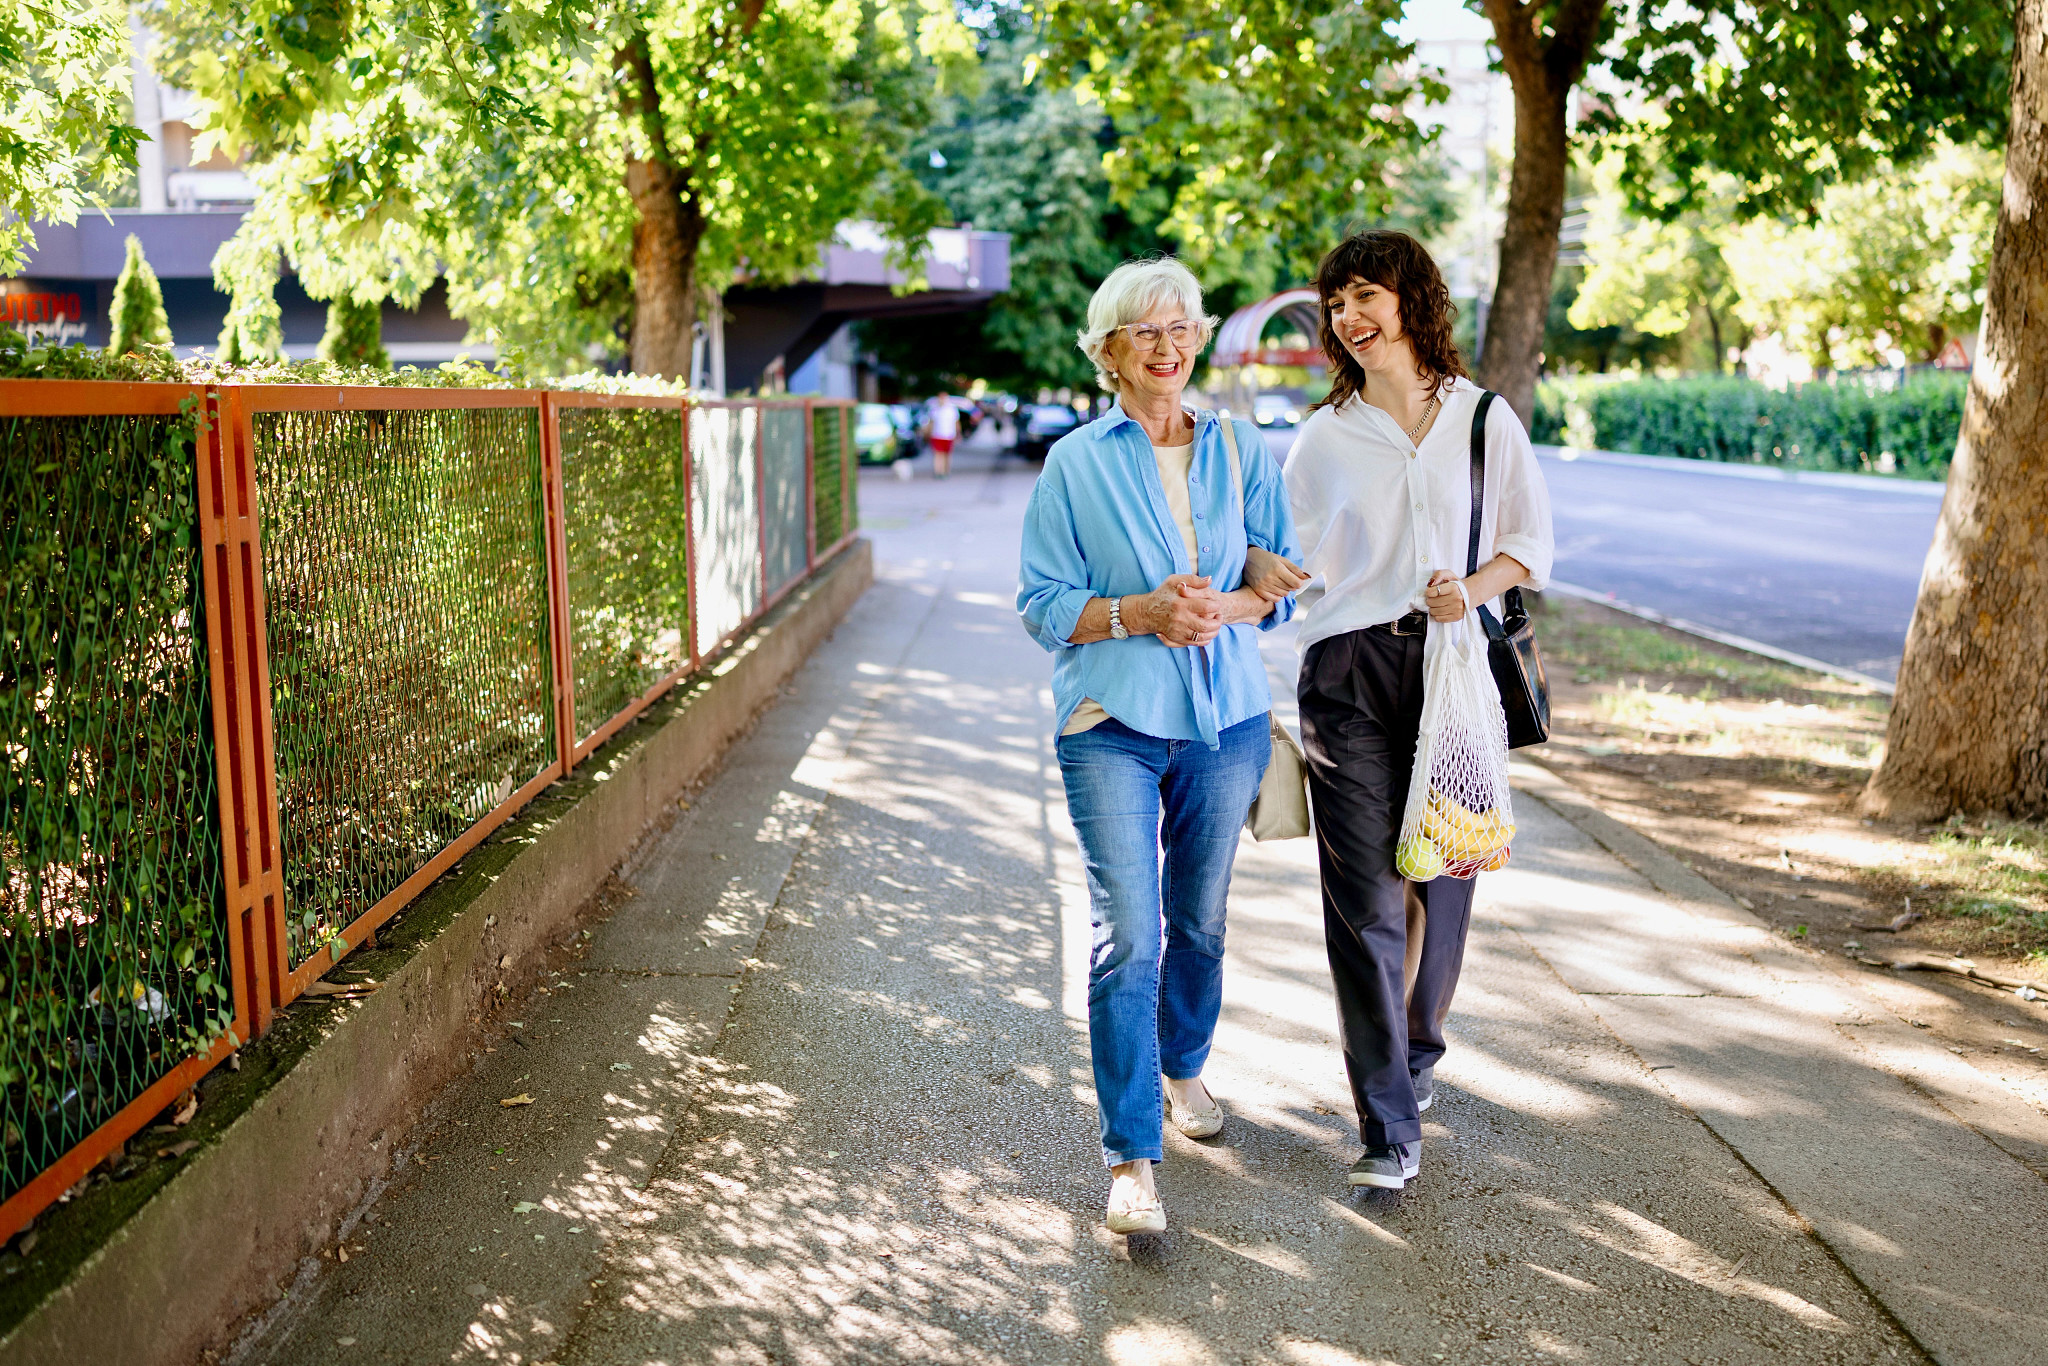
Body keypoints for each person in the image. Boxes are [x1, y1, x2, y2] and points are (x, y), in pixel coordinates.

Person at [1017, 257, 1309, 1235]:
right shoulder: (1075, 461)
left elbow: (1273, 576)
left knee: (1200, 921)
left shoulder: (1238, 449)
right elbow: (1041, 605)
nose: (1168, 343)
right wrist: (1136, 614)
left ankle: (1182, 1066)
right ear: (1107, 350)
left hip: (1224, 722)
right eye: (1145, 329)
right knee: (1127, 935)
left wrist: (1232, 599)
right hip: (1110, 724)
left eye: (1180, 325)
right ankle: (1129, 1154)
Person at [1283, 230, 1553, 1191]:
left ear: (1410, 301)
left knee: (1442, 880)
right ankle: (1387, 1123)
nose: (1350, 318)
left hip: (1453, 673)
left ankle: (1417, 1049)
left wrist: (1470, 589)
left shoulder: (1483, 421)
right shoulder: (1321, 438)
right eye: (1336, 304)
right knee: (1362, 903)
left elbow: (1531, 544)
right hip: (1347, 675)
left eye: (1365, 295)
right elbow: (1295, 564)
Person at [928, 392, 959, 477]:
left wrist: (958, 433)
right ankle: (938, 471)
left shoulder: (952, 409)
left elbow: (956, 422)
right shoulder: (934, 409)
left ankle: (946, 471)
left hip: (949, 435)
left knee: (947, 455)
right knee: (938, 454)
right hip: (937, 435)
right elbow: (931, 422)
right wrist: (929, 433)